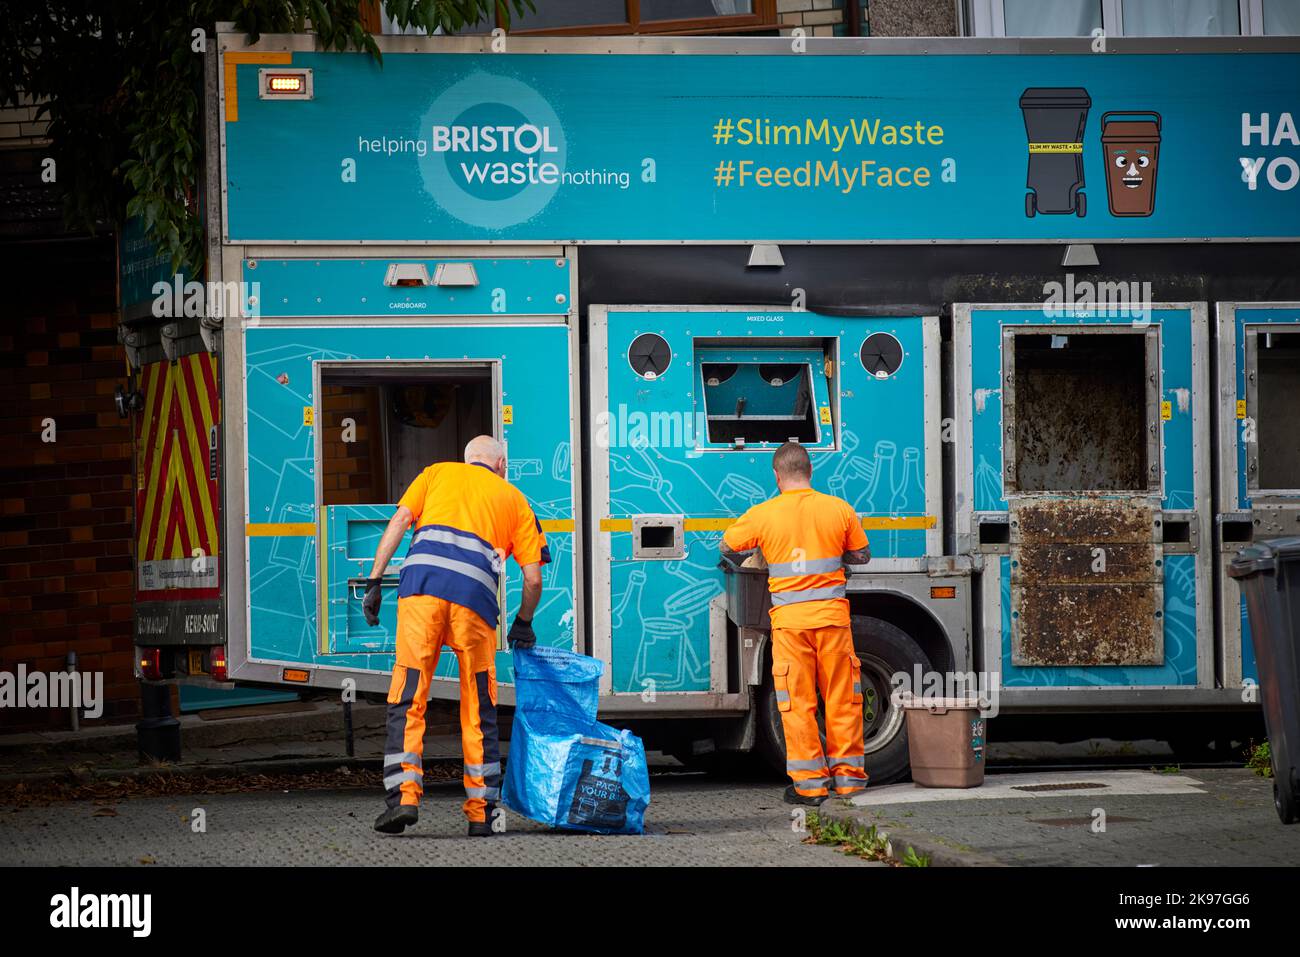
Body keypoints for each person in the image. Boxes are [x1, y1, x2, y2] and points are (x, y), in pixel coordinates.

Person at [362, 435, 546, 836]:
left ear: (467, 459)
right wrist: (524, 621)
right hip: (475, 604)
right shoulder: (515, 499)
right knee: (478, 706)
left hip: (420, 593)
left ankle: (404, 799)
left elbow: (398, 523)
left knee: (408, 696)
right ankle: (481, 814)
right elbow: (533, 578)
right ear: (500, 465)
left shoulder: (434, 474)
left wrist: (375, 580)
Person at [720, 442, 871, 805]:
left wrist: (763, 551)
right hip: (833, 621)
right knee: (842, 699)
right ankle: (849, 782)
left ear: (777, 476)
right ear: (810, 471)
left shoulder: (763, 514)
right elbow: (862, 555)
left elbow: (727, 548)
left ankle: (811, 787)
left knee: (797, 703)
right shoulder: (839, 509)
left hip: (790, 625)